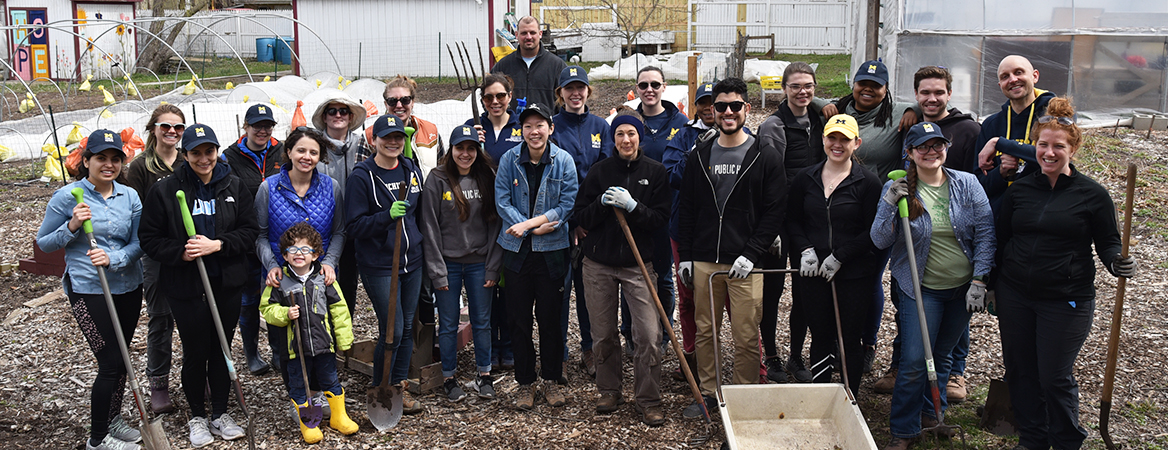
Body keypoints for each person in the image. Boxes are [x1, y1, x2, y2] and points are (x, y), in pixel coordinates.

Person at [995, 97, 1136, 450]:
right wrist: (989, 283)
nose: (1049, 152)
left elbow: (1107, 242)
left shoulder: (1093, 195)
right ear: (1035, 146)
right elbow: (1000, 237)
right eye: (1043, 145)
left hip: (1066, 299)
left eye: (1058, 146)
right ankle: (1032, 438)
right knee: (1021, 371)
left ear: (1073, 148)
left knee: (1054, 376)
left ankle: (1066, 440)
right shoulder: (1022, 190)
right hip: (1016, 295)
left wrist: (1116, 260)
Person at [871, 122, 995, 450]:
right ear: (909, 153)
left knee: (941, 355)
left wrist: (980, 279)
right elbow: (880, 238)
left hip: (962, 288)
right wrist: (888, 203)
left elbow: (985, 233)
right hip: (920, 288)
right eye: (923, 146)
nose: (931, 151)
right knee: (914, 360)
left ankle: (930, 413)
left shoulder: (966, 183)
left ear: (946, 148)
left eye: (937, 145)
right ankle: (904, 429)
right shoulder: (900, 189)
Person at [139, 124, 258, 448]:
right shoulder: (166, 190)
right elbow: (148, 239)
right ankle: (197, 416)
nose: (203, 158)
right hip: (186, 286)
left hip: (226, 283)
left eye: (209, 151)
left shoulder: (233, 185)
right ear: (185, 154)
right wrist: (181, 251)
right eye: (196, 153)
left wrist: (217, 245)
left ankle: (220, 412)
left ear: (217, 152)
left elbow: (249, 231)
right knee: (195, 351)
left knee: (221, 347)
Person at [876, 66, 985, 401]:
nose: (932, 98)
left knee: (951, 323)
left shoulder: (968, 129)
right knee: (909, 309)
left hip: (957, 230)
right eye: (925, 93)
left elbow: (976, 180)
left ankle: (953, 373)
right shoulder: (908, 123)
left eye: (939, 92)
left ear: (949, 94)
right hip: (916, 229)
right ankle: (904, 368)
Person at [677, 78, 783, 414]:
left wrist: (752, 253)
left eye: (734, 106)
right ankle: (710, 394)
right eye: (720, 106)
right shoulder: (700, 155)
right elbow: (688, 207)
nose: (727, 112)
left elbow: (775, 211)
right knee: (706, 331)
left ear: (746, 110)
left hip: (746, 263)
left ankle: (744, 397)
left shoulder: (764, 156)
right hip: (707, 260)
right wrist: (688, 256)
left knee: (747, 335)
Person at [38, 130, 144, 450]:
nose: (108, 164)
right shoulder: (67, 197)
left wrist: (114, 258)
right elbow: (44, 244)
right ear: (86, 162)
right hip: (89, 290)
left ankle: (113, 420)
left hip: (128, 286)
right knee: (110, 362)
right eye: (101, 158)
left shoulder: (130, 197)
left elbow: (140, 243)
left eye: (115, 159)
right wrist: (71, 226)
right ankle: (97, 439)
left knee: (123, 360)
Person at [572, 110, 671, 426]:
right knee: (603, 334)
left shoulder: (655, 173)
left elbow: (659, 220)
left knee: (648, 334)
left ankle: (648, 399)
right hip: (598, 264)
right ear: (612, 139)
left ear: (639, 137)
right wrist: (601, 204)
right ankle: (609, 390)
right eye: (620, 134)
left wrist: (634, 207)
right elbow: (580, 218)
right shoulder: (600, 171)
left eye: (631, 134)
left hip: (638, 264)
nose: (626, 140)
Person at [821, 60, 918, 377]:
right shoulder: (840, 111)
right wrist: (826, 105)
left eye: (875, 86)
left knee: (869, 279)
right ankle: (834, 342)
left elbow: (929, 102)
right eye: (863, 83)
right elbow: (805, 96)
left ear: (886, 90)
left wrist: (914, 108)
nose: (867, 90)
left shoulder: (897, 116)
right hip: (839, 209)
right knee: (836, 277)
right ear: (854, 84)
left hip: (878, 213)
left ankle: (866, 343)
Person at [785, 114, 880, 398]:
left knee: (849, 335)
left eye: (845, 140)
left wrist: (840, 256)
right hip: (814, 273)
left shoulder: (867, 182)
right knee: (820, 333)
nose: (837, 145)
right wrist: (805, 249)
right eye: (832, 138)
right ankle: (822, 393)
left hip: (853, 273)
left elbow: (872, 230)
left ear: (856, 143)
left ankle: (849, 396)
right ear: (823, 140)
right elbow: (792, 220)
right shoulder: (806, 177)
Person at [253, 126, 346, 416]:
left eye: (313, 152)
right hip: (283, 277)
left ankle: (319, 394)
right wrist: (271, 266)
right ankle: (300, 396)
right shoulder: (269, 188)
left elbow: (340, 232)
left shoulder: (331, 188)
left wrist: (329, 262)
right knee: (287, 341)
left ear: (321, 157)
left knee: (321, 337)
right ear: (289, 153)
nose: (307, 157)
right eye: (301, 150)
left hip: (320, 277)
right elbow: (260, 235)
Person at [494, 103, 578, 409]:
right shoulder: (509, 160)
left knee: (550, 319)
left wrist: (531, 223)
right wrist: (529, 228)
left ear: (550, 128)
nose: (534, 131)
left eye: (540, 125)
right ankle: (525, 383)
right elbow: (502, 199)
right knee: (518, 319)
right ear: (522, 131)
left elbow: (568, 203)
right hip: (517, 253)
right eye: (528, 126)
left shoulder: (563, 161)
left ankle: (552, 380)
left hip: (552, 252)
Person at [345, 114, 425, 415]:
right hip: (380, 265)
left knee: (406, 330)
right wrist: (386, 217)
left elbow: (417, 215)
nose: (393, 142)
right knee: (393, 328)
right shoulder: (362, 177)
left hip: (411, 261)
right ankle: (381, 385)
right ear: (373, 140)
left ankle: (398, 386)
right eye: (386, 137)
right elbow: (353, 227)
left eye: (397, 137)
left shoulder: (409, 169)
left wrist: (418, 243)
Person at [420, 125, 502, 402]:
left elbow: (496, 225)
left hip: (480, 262)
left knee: (482, 321)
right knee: (448, 323)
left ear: (477, 151)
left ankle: (484, 375)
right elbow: (429, 226)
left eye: (470, 148)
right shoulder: (437, 179)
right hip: (449, 264)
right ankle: (449, 377)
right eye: (460, 148)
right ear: (451, 150)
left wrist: (492, 266)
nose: (465, 153)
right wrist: (437, 271)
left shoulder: (487, 177)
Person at [756, 61, 825, 384]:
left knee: (805, 289)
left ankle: (797, 355)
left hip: (810, 220)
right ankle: (771, 355)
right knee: (772, 290)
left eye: (808, 86)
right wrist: (771, 226)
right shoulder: (774, 126)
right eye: (795, 86)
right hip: (778, 220)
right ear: (784, 88)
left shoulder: (820, 119)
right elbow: (769, 179)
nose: (802, 92)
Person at [258, 223, 358, 444]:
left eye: (305, 249)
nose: (299, 254)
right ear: (284, 255)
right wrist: (284, 313)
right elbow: (266, 309)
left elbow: (339, 309)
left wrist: (343, 338)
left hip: (324, 344)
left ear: (315, 254)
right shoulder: (278, 282)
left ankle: (338, 417)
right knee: (299, 386)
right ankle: (308, 424)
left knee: (331, 380)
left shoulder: (324, 278)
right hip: (295, 349)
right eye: (293, 250)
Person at [123, 104, 185, 414]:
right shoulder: (141, 167)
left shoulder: (190, 161)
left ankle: (198, 374)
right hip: (157, 252)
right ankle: (159, 383)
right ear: (153, 129)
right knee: (161, 318)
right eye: (165, 127)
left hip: (190, 250)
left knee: (194, 316)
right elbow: (136, 213)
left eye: (178, 127)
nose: (172, 132)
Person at [552, 65, 612, 377]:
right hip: (561, 223)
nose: (576, 93)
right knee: (560, 291)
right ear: (560, 94)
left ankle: (590, 348)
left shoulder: (600, 126)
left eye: (581, 87)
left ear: (588, 91)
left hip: (593, 224)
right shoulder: (552, 127)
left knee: (590, 292)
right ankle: (559, 352)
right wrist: (571, 220)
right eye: (569, 88)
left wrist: (587, 219)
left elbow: (605, 173)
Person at [466, 73, 522, 370]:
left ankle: (510, 345)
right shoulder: (475, 128)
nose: (495, 102)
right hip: (483, 214)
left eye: (501, 96)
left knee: (510, 283)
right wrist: (473, 144)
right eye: (489, 98)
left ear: (509, 97)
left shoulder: (521, 126)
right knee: (489, 281)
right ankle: (492, 346)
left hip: (514, 211)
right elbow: (457, 164)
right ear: (482, 101)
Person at [631, 65, 689, 352]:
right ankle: (631, 334)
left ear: (664, 86)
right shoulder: (628, 120)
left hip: (668, 210)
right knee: (632, 271)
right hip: (634, 210)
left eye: (655, 84)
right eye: (643, 85)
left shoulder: (680, 122)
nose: (649, 90)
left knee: (664, 275)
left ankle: (665, 333)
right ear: (637, 88)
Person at [225, 103, 285, 376]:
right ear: (245, 127)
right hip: (247, 236)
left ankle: (278, 350)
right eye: (257, 125)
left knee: (277, 295)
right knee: (248, 298)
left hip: (278, 236)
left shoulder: (281, 151)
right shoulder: (230, 157)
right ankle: (251, 352)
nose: (262, 130)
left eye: (267, 125)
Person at [661, 82, 715, 384]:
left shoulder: (738, 135)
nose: (710, 109)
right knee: (689, 298)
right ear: (696, 106)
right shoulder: (683, 136)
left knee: (734, 302)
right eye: (704, 103)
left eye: (714, 103)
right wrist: (697, 151)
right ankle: (693, 359)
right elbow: (673, 175)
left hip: (724, 232)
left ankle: (749, 369)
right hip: (686, 227)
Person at [975, 55, 1057, 213]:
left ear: (1035, 76)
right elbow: (979, 185)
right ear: (1000, 85)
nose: (1012, 80)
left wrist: (1000, 143)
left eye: (1019, 72)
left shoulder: (1055, 112)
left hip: (1045, 216)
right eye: (1005, 77)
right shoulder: (991, 125)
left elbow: (1055, 157)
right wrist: (1001, 173)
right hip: (1003, 222)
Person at [312, 92, 368, 316]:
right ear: (324, 117)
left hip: (354, 225)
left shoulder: (362, 143)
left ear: (350, 116)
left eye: (343, 111)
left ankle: (345, 330)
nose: (338, 115)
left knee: (348, 281)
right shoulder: (314, 145)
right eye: (332, 111)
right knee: (319, 278)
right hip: (322, 226)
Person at [370, 75, 443, 176]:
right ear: (386, 104)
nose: (399, 105)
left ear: (412, 102)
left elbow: (443, 172)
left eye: (405, 100)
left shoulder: (431, 132)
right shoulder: (370, 134)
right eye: (392, 101)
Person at [491, 16, 567, 113]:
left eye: (532, 32)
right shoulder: (503, 66)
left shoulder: (557, 66)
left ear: (540, 34)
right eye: (524, 33)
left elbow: (566, 100)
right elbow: (487, 95)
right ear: (516, 35)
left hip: (545, 126)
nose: (528, 37)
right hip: (512, 126)